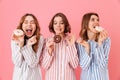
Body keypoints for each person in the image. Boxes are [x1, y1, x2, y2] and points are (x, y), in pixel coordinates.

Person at [41, 12, 79, 80]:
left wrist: (70, 45)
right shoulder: (47, 41)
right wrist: (50, 51)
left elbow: (75, 65)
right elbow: (44, 66)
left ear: (65, 25)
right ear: (52, 26)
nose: (58, 25)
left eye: (61, 23)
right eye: (55, 23)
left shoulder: (71, 41)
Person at [76, 12, 111, 80]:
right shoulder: (80, 42)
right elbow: (84, 66)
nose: (96, 22)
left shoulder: (106, 40)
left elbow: (103, 65)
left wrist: (100, 43)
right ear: (86, 24)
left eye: (97, 20)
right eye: (93, 19)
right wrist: (87, 48)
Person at [11, 13, 44, 80]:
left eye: (32, 22)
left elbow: (32, 63)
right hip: (19, 77)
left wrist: (28, 46)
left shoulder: (40, 39)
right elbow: (17, 63)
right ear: (21, 25)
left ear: (36, 26)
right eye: (26, 22)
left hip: (34, 77)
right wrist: (21, 44)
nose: (29, 24)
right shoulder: (15, 37)